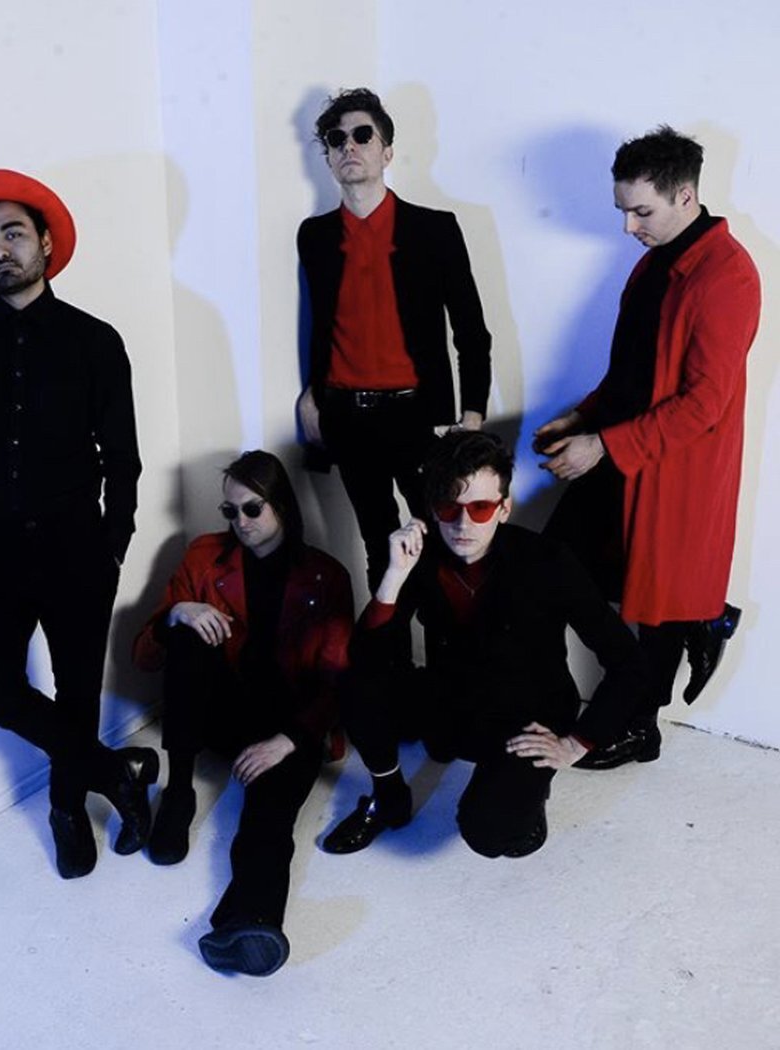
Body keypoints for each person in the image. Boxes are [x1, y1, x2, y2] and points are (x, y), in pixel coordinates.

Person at [0, 169, 156, 880]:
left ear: (46, 243)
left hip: (76, 547)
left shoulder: (95, 340)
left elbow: (122, 454)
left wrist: (114, 541)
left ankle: (66, 811)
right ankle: (114, 774)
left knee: (78, 691)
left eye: (12, 233)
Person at [536, 126, 761, 768]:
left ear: (685, 195)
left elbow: (703, 404)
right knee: (553, 567)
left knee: (657, 607)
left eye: (641, 211)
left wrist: (602, 444)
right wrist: (582, 416)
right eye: (623, 210)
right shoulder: (652, 261)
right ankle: (701, 619)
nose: (628, 227)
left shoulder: (728, 275)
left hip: (672, 469)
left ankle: (640, 726)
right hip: (618, 450)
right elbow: (631, 371)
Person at [321, 432, 646, 859]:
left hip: (526, 718)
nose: (463, 525)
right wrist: (394, 576)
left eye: (480, 508)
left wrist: (576, 743)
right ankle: (389, 798)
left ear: (504, 508)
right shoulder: (420, 558)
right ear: (431, 508)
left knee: (492, 834)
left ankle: (527, 792)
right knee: (357, 680)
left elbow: (629, 661)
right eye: (448, 508)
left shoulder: (549, 561)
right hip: (453, 701)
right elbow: (366, 658)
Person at [133, 451, 353, 976]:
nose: (240, 522)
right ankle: (179, 794)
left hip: (289, 723)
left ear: (281, 506)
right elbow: (144, 656)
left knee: (269, 817)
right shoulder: (204, 557)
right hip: (225, 710)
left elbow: (338, 682)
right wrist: (178, 613)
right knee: (187, 637)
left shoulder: (325, 576)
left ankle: (252, 921)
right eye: (230, 511)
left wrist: (289, 739)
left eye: (252, 509)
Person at [297, 87, 492, 598]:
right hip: (348, 417)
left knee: (447, 538)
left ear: (387, 152)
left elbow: (471, 329)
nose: (349, 146)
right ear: (328, 157)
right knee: (378, 545)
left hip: (418, 417)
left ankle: (446, 642)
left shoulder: (434, 229)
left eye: (363, 135)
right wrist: (313, 393)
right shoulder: (314, 236)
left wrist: (472, 414)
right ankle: (391, 645)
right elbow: (320, 323)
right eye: (336, 139)